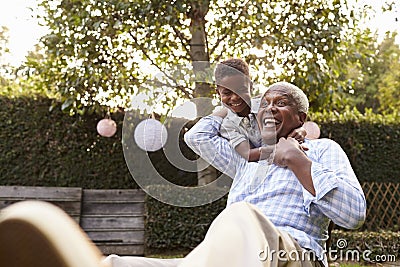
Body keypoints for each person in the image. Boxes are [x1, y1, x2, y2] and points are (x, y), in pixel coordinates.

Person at [0, 82, 366, 267]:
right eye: (264, 102)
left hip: (289, 254)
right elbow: (197, 136)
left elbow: (353, 215)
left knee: (240, 218)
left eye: (281, 102)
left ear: (301, 118)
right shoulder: (246, 160)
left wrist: (300, 164)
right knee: (115, 263)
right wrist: (229, 105)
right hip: (226, 254)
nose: (269, 108)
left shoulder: (322, 151)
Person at [215, 58, 306, 161]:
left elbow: (294, 118)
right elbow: (248, 154)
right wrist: (281, 148)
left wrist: (301, 130)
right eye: (227, 93)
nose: (235, 97)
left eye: (241, 90)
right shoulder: (227, 124)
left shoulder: (267, 104)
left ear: (251, 86)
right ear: (218, 93)